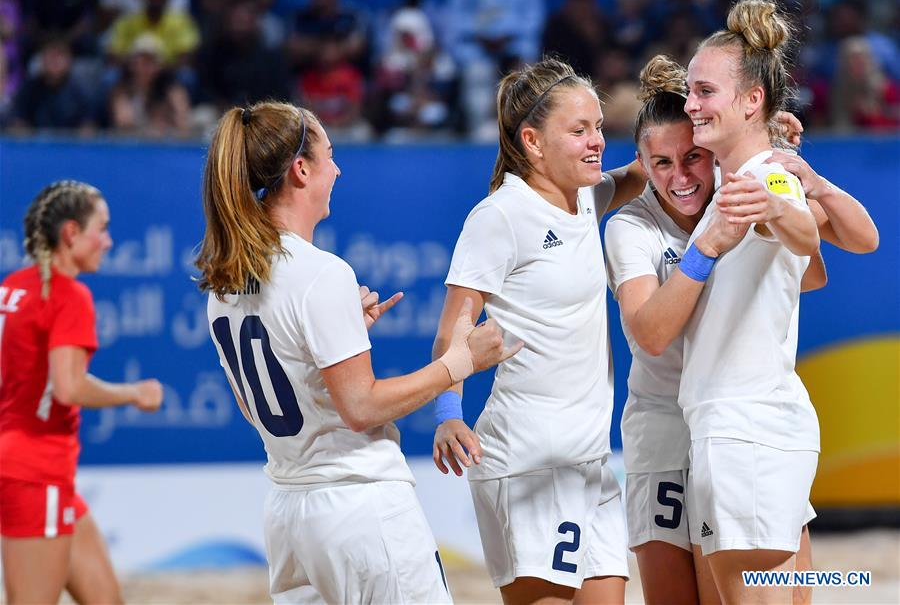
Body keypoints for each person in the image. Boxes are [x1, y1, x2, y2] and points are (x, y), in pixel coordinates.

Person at [195, 101, 520, 603]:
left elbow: (255, 403)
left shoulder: (225, 285)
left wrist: (335, 341)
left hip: (288, 516)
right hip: (357, 507)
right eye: (329, 155)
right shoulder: (320, 273)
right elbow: (362, 408)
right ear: (301, 170)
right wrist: (461, 362)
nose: (338, 169)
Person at [606, 55, 878, 605]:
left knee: (786, 589)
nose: (681, 177)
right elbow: (652, 334)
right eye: (661, 163)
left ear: (712, 152)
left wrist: (785, 174)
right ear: (642, 165)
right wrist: (708, 249)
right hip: (666, 429)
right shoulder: (632, 226)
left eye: (693, 158)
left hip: (739, 428)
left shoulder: (739, 190)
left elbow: (820, 266)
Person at [431, 57, 648, 604]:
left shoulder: (586, 196)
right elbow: (455, 327)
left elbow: (649, 169)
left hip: (591, 462)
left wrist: (745, 132)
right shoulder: (501, 216)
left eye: (598, 126)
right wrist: (448, 412)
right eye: (579, 131)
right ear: (532, 141)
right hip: (527, 464)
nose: (597, 141)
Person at [680, 0, 829, 603]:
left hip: (742, 433)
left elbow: (802, 231)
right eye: (689, 91)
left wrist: (776, 209)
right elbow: (811, 264)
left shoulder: (762, 177)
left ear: (751, 100)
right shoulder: (739, 174)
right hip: (759, 426)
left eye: (704, 91)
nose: (690, 105)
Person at [0, 180, 163, 604]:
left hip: (32, 471)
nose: (108, 241)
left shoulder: (12, 288)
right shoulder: (69, 296)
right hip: (37, 474)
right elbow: (70, 386)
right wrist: (134, 394)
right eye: (102, 228)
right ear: (71, 233)